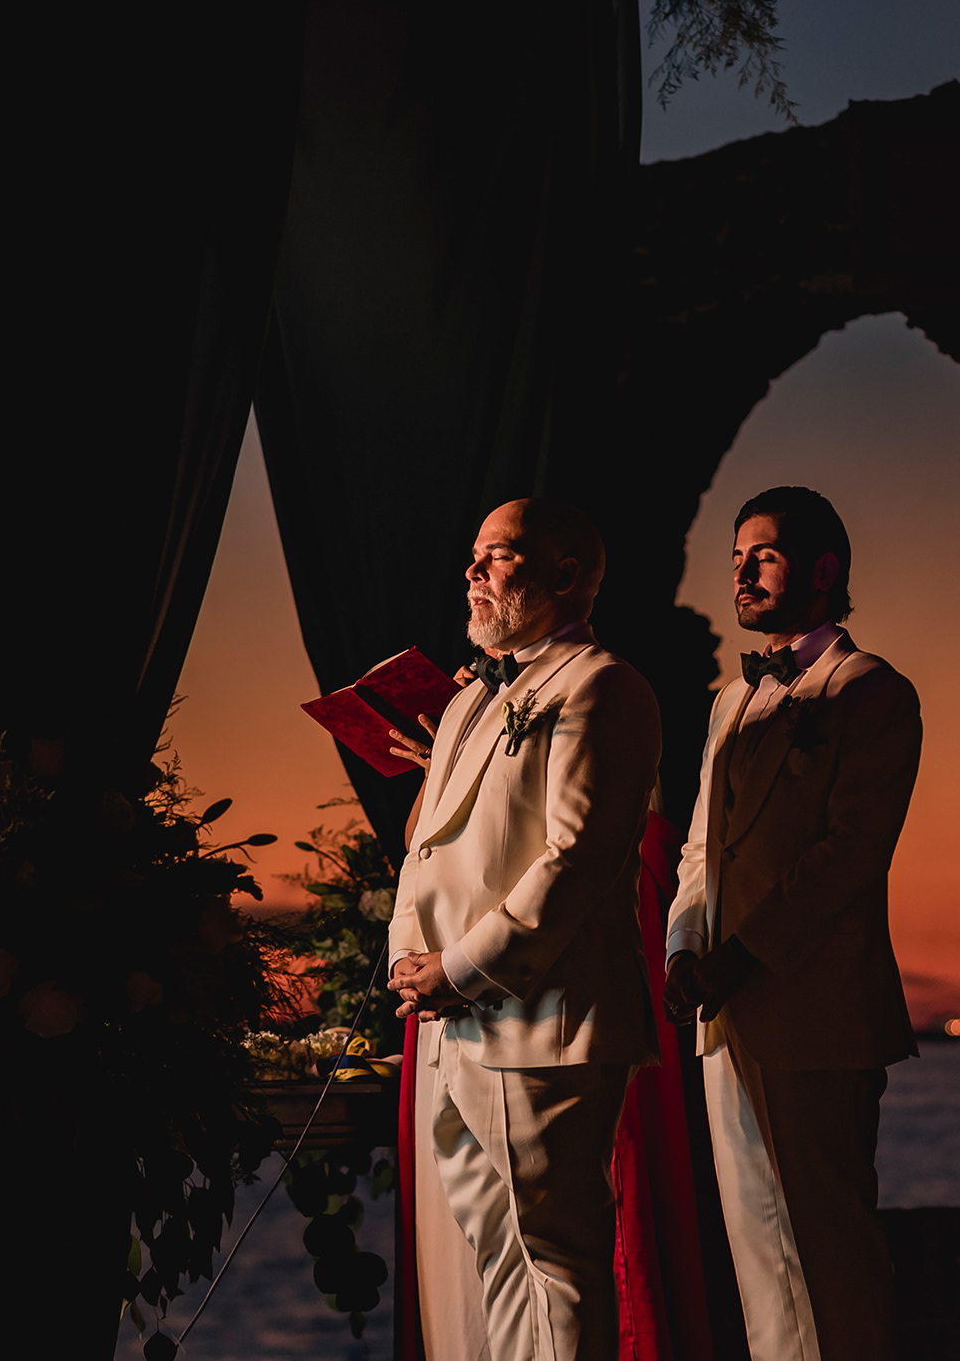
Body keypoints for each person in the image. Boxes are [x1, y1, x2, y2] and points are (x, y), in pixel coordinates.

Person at [385, 498, 661, 1361]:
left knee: (555, 1260)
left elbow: (577, 860)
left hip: (543, 1019)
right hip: (449, 1021)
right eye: (473, 554)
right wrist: (405, 955)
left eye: (497, 555)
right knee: (495, 1263)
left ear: (565, 574)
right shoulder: (469, 699)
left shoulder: (602, 685)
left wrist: (461, 966)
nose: (472, 571)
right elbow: (427, 848)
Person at [663, 487, 922, 1361]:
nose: (741, 571)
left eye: (763, 555)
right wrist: (684, 946)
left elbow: (851, 855)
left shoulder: (873, 689)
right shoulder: (727, 703)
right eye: (737, 556)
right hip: (722, 1012)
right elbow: (700, 848)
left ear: (823, 569)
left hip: (817, 1013)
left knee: (832, 1257)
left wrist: (740, 955)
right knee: (760, 1258)